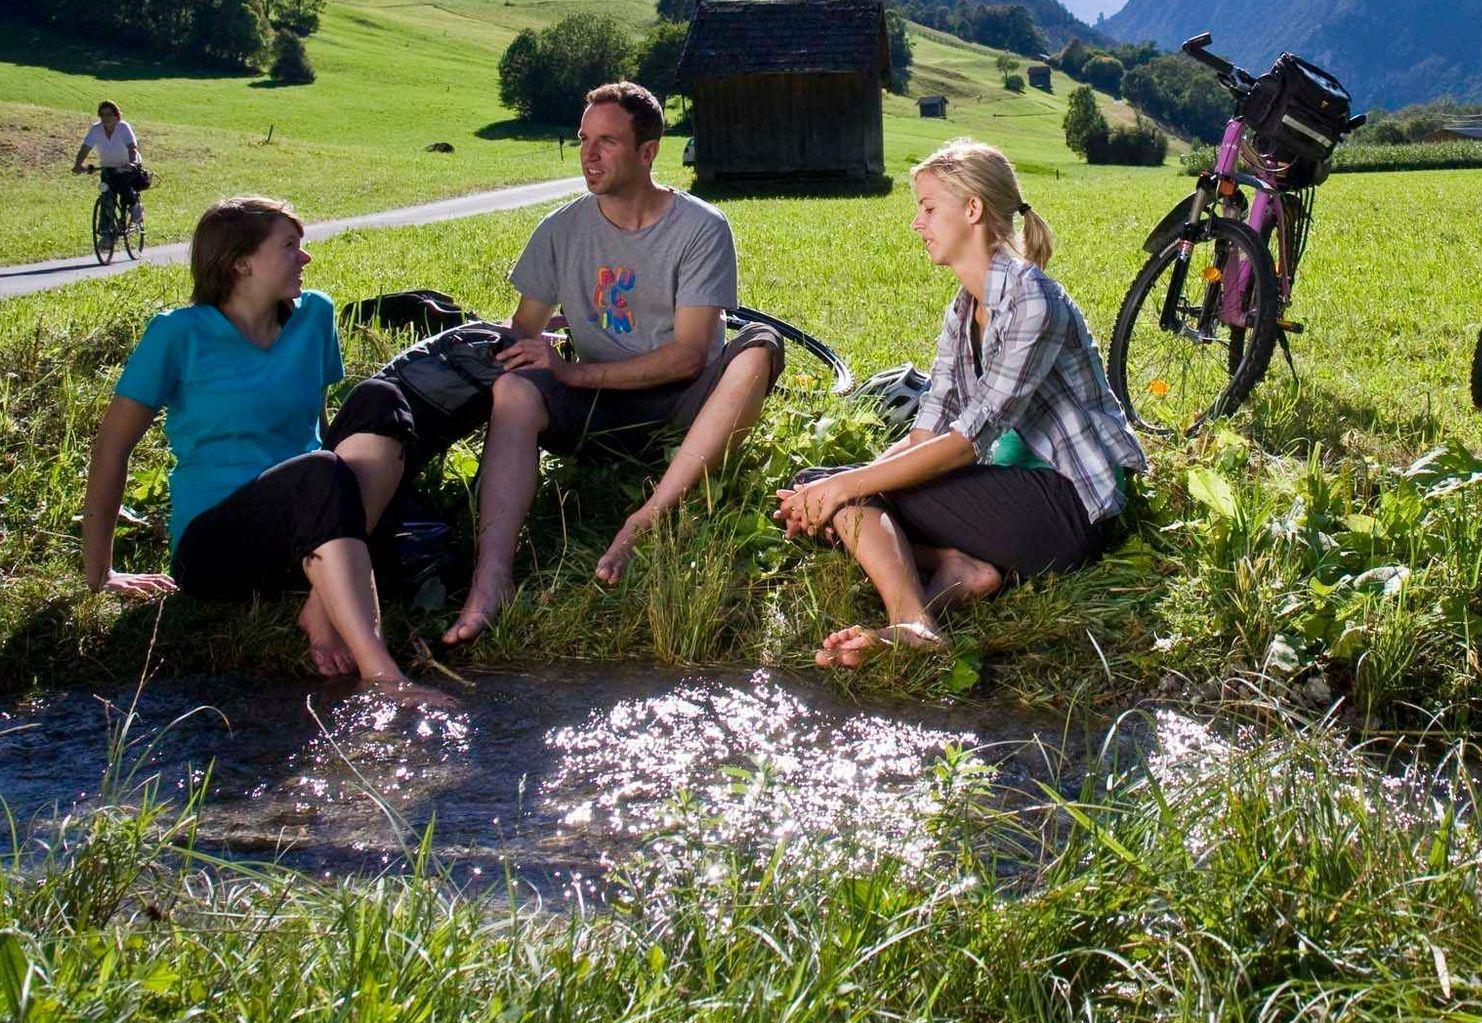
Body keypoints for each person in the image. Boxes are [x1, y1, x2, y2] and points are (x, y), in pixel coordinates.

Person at [775, 139, 1146, 667]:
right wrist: (837, 485)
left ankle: (913, 621)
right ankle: (956, 571)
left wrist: (846, 488)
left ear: (972, 209)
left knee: (847, 493)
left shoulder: (1033, 300)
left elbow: (968, 441)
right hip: (998, 496)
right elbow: (925, 432)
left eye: (928, 208)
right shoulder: (963, 308)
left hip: (1065, 507)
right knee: (818, 485)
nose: (917, 223)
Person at [443, 81, 784, 645]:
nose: (589, 155)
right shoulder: (560, 229)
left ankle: (646, 518)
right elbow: (523, 331)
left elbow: (688, 357)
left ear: (647, 152)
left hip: (683, 408)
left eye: (607, 142)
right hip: (595, 409)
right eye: (583, 140)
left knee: (760, 347)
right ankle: (491, 575)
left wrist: (568, 371)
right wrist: (528, 346)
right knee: (514, 390)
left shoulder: (702, 228)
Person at [79, 196, 451, 706]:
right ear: (240, 262)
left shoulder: (315, 314)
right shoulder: (177, 334)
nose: (305, 257)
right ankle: (382, 675)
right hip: (217, 544)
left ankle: (320, 602)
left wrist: (338, 499)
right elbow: (112, 447)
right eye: (290, 246)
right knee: (318, 471)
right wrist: (100, 572)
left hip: (311, 521)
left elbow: (320, 427)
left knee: (380, 399)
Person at [73, 100, 147, 228]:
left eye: (109, 114)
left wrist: (132, 163)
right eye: (102, 115)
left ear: (116, 116)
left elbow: (132, 147)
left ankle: (135, 208)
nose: (105, 118)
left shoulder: (123, 127)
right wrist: (78, 164)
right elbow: (85, 148)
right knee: (106, 195)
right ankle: (106, 231)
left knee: (123, 185)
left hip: (127, 166)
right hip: (108, 167)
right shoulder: (96, 129)